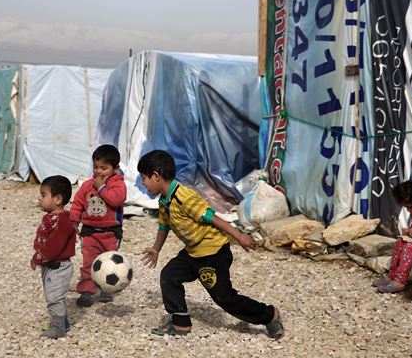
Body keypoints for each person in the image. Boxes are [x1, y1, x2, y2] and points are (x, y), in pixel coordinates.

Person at [138, 150, 284, 339]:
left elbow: (212, 217)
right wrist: (156, 249)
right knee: (169, 276)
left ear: (156, 176)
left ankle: (270, 315)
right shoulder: (164, 201)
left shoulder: (184, 197)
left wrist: (239, 236)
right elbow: (164, 225)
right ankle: (180, 322)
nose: (142, 183)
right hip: (193, 253)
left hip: (212, 253)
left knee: (225, 299)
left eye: (144, 178)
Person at [70, 144, 127, 307]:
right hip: (90, 232)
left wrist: (101, 188)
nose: (99, 172)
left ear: (115, 168)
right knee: (88, 262)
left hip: (110, 232)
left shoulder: (118, 185)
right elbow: (78, 203)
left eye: (104, 168)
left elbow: (116, 199)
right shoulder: (88, 185)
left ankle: (107, 290)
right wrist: (74, 221)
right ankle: (87, 291)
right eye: (96, 167)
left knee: (109, 263)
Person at [31, 175, 77, 338]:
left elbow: (54, 246)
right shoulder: (53, 218)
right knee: (54, 294)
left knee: (54, 297)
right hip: (50, 265)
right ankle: (62, 322)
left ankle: (58, 328)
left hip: (58, 266)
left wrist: (38, 257)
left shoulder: (61, 221)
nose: (40, 198)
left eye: (43, 195)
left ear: (58, 199)